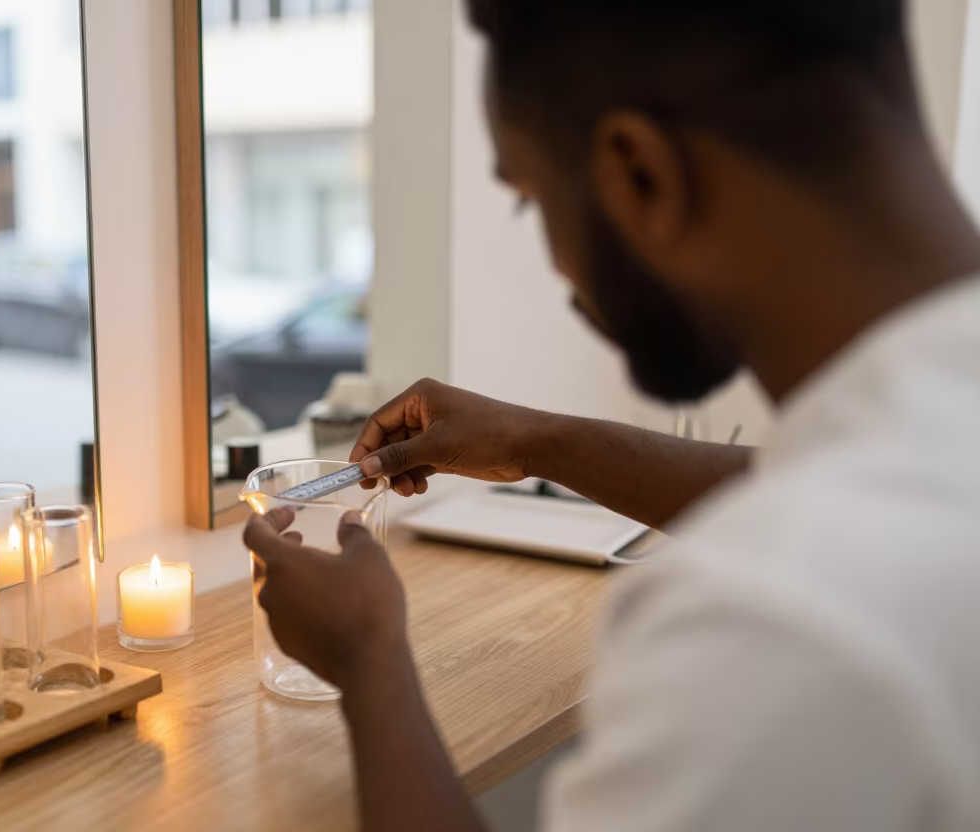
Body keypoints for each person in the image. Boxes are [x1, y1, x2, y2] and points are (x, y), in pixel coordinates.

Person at [244, 1, 980, 830]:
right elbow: (832, 489)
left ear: (639, 172)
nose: (557, 265)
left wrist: (369, 660)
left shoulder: (778, 619)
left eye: (530, 199)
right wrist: (534, 441)